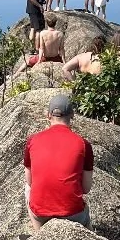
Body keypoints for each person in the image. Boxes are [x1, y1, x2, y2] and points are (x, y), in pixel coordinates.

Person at [23, 91, 94, 231]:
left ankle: (39, 235)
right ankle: (90, 235)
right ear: (72, 115)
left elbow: (30, 181)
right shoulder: (84, 144)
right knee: (86, 218)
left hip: (40, 213)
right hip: (74, 214)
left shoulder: (33, 140)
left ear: (48, 115)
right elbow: (86, 189)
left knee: (27, 188)